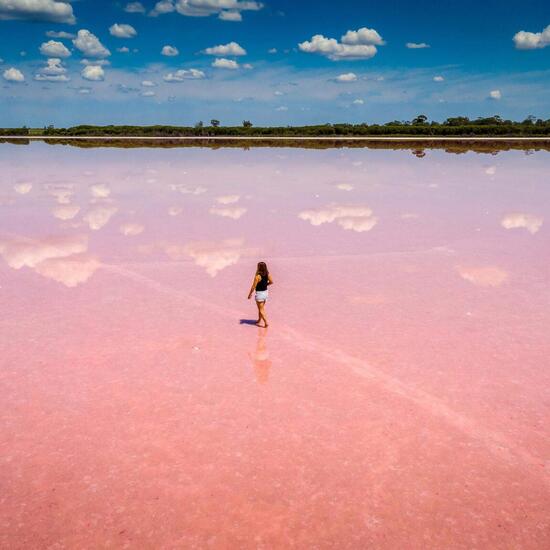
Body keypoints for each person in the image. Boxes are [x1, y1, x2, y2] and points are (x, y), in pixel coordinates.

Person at [247, 261, 273, 328]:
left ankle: (266, 322)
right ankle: (259, 320)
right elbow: (271, 282)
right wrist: (265, 284)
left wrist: (250, 294)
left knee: (261, 309)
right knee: (261, 308)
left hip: (260, 294)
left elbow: (253, 286)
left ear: (259, 267)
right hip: (266, 293)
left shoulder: (258, 276)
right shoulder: (268, 274)